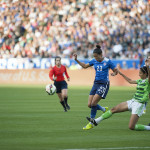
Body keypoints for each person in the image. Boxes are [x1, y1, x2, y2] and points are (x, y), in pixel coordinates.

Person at [87, 65, 150, 131]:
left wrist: (148, 66)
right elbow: (130, 81)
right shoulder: (140, 81)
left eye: (140, 73)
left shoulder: (148, 82)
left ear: (145, 74)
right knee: (113, 109)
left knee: (132, 127)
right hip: (133, 101)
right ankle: (96, 121)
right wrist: (121, 73)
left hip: (139, 104)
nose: (139, 74)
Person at [73, 45, 118, 130]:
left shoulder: (108, 61)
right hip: (96, 83)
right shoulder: (94, 61)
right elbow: (85, 66)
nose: (95, 58)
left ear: (101, 54)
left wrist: (114, 73)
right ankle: (103, 109)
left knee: (94, 103)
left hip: (104, 84)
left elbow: (116, 70)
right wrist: (76, 60)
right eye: (94, 57)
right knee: (89, 105)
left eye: (96, 56)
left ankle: (91, 123)